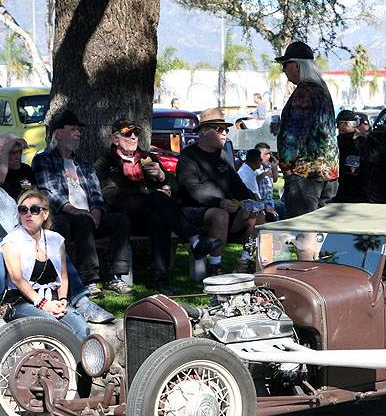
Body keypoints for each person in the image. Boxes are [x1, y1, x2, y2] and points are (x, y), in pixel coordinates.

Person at [0, 149, 114, 328]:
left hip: (14, 247)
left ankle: (81, 301)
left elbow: (20, 217)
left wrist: (37, 236)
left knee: (50, 242)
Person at [93, 119, 222, 295]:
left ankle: (161, 280)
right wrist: (149, 196)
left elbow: (175, 186)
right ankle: (194, 238)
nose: (133, 137)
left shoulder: (148, 157)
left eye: (136, 133)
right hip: (125, 215)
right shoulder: (104, 163)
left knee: (159, 219)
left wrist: (162, 177)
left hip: (155, 212)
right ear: (115, 139)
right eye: (127, 134)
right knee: (157, 199)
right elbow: (110, 195)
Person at [33, 109, 133, 297]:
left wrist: (96, 210)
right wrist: (74, 210)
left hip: (89, 216)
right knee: (82, 222)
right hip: (65, 216)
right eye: (73, 129)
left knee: (121, 220)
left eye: (79, 130)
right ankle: (90, 279)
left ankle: (115, 276)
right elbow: (48, 192)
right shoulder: (44, 160)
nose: (78, 133)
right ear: (58, 134)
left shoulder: (83, 163)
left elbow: (96, 192)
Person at [176, 108, 263, 275]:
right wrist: (220, 202)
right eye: (220, 129)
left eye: (226, 130)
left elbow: (237, 185)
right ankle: (215, 267)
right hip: (194, 212)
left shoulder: (222, 155)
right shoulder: (188, 156)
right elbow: (193, 190)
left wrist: (255, 203)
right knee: (220, 215)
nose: (224, 133)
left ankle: (245, 261)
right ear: (204, 132)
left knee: (258, 214)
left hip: (225, 209)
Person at [0, 191, 90, 340]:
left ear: (45, 214)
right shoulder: (11, 242)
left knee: (82, 328)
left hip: (53, 299)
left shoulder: (55, 240)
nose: (28, 214)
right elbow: (17, 279)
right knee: (52, 328)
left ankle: (80, 363)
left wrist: (62, 301)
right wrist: (43, 304)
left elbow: (63, 276)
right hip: (22, 301)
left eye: (34, 209)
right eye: (23, 210)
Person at [275, 41, 339, 218]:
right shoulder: (322, 90)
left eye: (285, 65)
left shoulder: (304, 93)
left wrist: (286, 166)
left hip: (306, 173)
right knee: (322, 232)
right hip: (329, 172)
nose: (284, 70)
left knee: (303, 231)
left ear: (296, 65)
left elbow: (294, 135)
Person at [331, 110, 368, 203]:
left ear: (346, 124)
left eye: (339, 124)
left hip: (342, 191)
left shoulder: (337, 142)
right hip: (363, 192)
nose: (337, 127)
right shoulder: (366, 139)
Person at [0, 132, 34, 200]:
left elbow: (31, 192)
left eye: (20, 152)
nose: (18, 157)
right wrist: (6, 149)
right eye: (12, 152)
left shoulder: (25, 169)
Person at [254, 142, 285, 219]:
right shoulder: (254, 167)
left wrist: (274, 167)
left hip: (271, 201)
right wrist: (264, 174)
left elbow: (275, 179)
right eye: (266, 154)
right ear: (259, 155)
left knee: (288, 208)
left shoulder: (268, 166)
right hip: (261, 203)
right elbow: (254, 182)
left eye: (269, 154)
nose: (269, 156)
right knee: (275, 218)